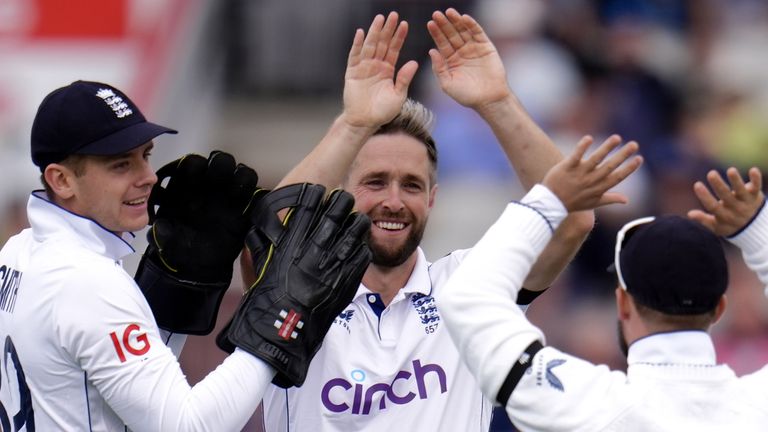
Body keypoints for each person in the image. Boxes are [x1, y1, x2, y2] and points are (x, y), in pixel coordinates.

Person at [257, 9, 596, 431]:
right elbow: (266, 232)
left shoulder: (468, 288)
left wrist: (497, 102)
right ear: (339, 196)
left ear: (433, 198)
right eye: (375, 182)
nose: (394, 201)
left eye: (412, 186)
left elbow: (572, 218)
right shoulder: (298, 291)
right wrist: (354, 124)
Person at [0, 80, 371, 431]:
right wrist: (278, 320)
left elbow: (100, 379)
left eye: (145, 156)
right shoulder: (88, 283)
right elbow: (188, 425)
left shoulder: (18, 252)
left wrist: (173, 296)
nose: (147, 176)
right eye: (120, 165)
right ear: (61, 180)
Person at [439, 131, 768, 432]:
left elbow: (466, 296)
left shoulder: (582, 404)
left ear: (623, 303)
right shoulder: (758, 405)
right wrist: (757, 230)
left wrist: (551, 200)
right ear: (720, 308)